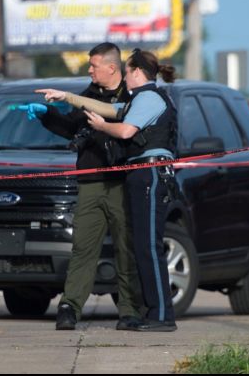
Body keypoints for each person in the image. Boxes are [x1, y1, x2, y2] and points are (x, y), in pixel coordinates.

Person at [58, 48, 178, 332]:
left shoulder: (149, 97)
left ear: (137, 72)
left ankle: (162, 316)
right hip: (141, 174)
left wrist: (102, 127)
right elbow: (110, 109)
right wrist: (66, 97)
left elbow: (124, 130)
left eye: (126, 71)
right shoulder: (140, 99)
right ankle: (156, 313)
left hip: (150, 173)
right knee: (143, 246)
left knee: (148, 247)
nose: (125, 77)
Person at [27, 42, 144, 332]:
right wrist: (46, 115)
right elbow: (69, 127)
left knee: (126, 248)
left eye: (93, 65)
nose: (89, 70)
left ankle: (130, 309)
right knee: (82, 248)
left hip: (122, 182)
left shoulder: (133, 96)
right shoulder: (88, 95)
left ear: (111, 68)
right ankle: (70, 307)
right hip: (91, 182)